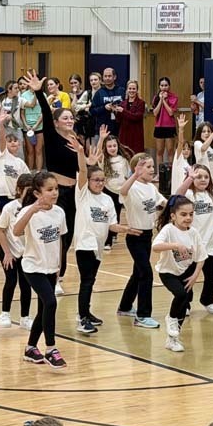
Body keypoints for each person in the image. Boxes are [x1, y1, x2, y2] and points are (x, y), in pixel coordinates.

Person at [69, 136, 138, 334]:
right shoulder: (82, 194)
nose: (99, 183)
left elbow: (112, 225)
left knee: (91, 281)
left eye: (102, 180)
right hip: (85, 244)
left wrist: (125, 229)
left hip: (98, 247)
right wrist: (81, 153)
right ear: (88, 181)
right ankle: (82, 318)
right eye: (96, 180)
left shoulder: (108, 200)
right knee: (86, 281)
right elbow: (83, 171)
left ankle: (86, 312)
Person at [25, 70, 79, 295]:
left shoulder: (76, 140)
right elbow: (46, 114)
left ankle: (59, 274)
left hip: (74, 193)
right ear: (56, 123)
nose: (69, 121)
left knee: (68, 237)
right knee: (56, 237)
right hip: (57, 194)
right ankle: (53, 278)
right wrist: (39, 93)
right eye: (65, 118)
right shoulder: (52, 134)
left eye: (71, 118)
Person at [13, 171, 68, 368]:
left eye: (56, 189)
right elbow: (16, 231)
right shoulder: (28, 211)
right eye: (49, 189)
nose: (55, 193)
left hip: (51, 267)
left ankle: (30, 348)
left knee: (44, 308)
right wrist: (32, 210)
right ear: (37, 193)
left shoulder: (59, 212)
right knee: (51, 302)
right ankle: (51, 349)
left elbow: (60, 240)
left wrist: (59, 267)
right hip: (33, 267)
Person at [176, 163, 213, 314]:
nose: (203, 179)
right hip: (190, 244)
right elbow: (178, 195)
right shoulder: (189, 195)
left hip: (208, 245)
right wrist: (190, 178)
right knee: (187, 275)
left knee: (211, 274)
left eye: (206, 177)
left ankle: (207, 300)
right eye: (199, 177)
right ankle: (185, 303)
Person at [118, 152, 166, 328]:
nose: (152, 169)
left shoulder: (151, 188)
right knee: (146, 273)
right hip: (135, 237)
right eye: (148, 166)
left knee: (138, 272)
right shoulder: (131, 187)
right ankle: (143, 315)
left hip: (147, 236)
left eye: (153, 166)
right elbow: (122, 191)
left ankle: (125, 306)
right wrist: (134, 176)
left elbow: (164, 203)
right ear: (136, 168)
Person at [153, 194, 206, 352]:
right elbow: (155, 247)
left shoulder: (194, 233)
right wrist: (174, 245)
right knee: (180, 295)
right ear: (173, 216)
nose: (188, 218)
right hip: (168, 272)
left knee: (183, 304)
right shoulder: (168, 229)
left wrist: (195, 276)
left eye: (191, 214)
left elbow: (201, 257)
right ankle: (170, 319)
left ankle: (172, 340)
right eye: (183, 214)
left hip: (187, 272)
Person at [0, 173, 34, 330]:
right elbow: (0, 230)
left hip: (26, 252)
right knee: (11, 281)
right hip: (9, 250)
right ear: (19, 190)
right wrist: (7, 253)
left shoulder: (35, 208)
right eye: (28, 190)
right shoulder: (10, 208)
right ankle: (5, 313)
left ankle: (25, 317)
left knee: (26, 284)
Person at [0, 110, 31, 212]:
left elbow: (28, 178)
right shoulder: (3, 155)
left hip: (16, 194)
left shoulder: (20, 162)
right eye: (9, 141)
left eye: (15, 141)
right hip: (2, 193)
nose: (13, 143)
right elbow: (1, 139)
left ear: (19, 144)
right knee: (5, 217)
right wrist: (1, 124)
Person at [101, 131, 131, 250]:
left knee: (117, 213)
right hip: (108, 190)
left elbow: (128, 175)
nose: (112, 148)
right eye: (109, 146)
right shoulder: (104, 159)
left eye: (114, 145)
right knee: (109, 215)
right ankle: (107, 241)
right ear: (105, 148)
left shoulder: (124, 160)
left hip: (121, 191)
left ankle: (114, 233)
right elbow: (98, 153)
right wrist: (101, 139)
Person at [152, 76, 178, 174]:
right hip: (159, 126)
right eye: (162, 85)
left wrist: (164, 101)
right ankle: (160, 174)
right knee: (159, 151)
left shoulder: (173, 97)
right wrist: (160, 100)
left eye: (166, 85)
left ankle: (171, 173)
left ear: (169, 86)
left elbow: (171, 112)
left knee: (170, 150)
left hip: (170, 127)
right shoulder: (156, 97)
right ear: (159, 86)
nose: (164, 87)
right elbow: (155, 113)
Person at [19, 75, 44, 172]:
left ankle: (38, 172)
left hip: (39, 126)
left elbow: (43, 112)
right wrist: (26, 125)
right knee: (30, 151)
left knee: (38, 150)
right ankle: (29, 172)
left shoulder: (43, 95)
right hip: (28, 127)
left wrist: (36, 125)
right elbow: (22, 113)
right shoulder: (24, 95)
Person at [117, 79, 145, 154]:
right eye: (130, 88)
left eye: (133, 89)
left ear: (137, 90)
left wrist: (123, 111)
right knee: (124, 154)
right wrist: (115, 111)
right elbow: (118, 120)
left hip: (135, 134)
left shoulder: (141, 103)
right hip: (124, 134)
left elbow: (136, 117)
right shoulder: (122, 103)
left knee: (136, 155)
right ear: (127, 90)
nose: (131, 91)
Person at [100, 67, 126, 136]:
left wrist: (120, 109)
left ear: (114, 77)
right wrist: (104, 107)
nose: (107, 78)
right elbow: (92, 110)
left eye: (109, 76)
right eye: (105, 76)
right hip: (105, 128)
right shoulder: (99, 92)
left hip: (121, 127)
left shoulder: (122, 91)